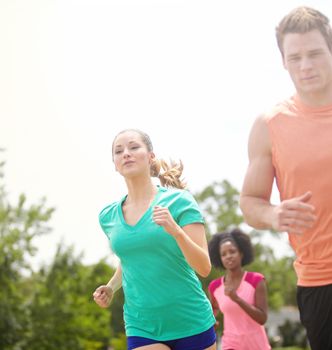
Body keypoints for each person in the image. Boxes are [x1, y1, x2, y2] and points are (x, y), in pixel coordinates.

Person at [239, 6, 332, 350]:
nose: (306, 66)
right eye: (295, 57)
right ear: (283, 61)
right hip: (321, 280)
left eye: (315, 54)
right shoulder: (270, 126)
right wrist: (274, 214)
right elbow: (250, 202)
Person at [93, 128, 216, 350]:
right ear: (114, 163)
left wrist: (176, 231)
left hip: (190, 320)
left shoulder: (180, 201)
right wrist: (111, 287)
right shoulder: (108, 216)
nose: (126, 154)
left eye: (133, 147)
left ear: (150, 156)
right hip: (142, 325)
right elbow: (131, 260)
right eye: (119, 151)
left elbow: (204, 267)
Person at [208, 228, 271, 350]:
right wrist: (211, 322)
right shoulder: (215, 287)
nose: (228, 256)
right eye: (223, 254)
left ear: (241, 253)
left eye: (232, 251)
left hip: (256, 345)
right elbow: (213, 310)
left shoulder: (256, 280)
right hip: (230, 344)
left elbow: (262, 318)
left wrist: (237, 299)